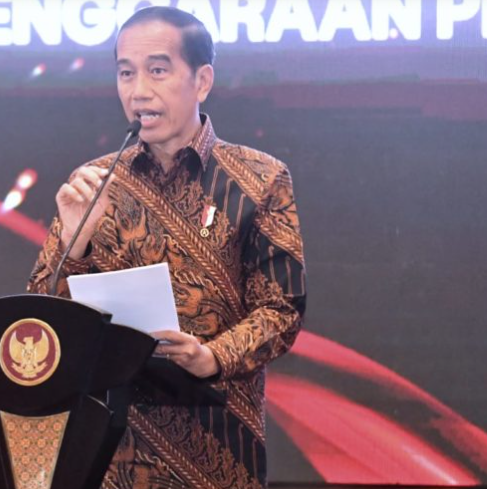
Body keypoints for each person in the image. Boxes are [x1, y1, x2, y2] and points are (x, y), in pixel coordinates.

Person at [28, 6, 306, 488]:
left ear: (201, 80)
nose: (139, 91)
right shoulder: (96, 183)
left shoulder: (260, 180)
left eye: (157, 71)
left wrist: (211, 356)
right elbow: (40, 321)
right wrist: (74, 244)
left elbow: (281, 309)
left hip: (217, 439)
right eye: (125, 73)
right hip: (111, 444)